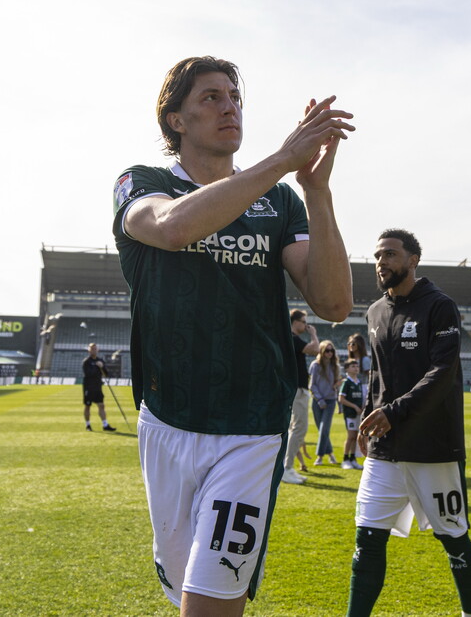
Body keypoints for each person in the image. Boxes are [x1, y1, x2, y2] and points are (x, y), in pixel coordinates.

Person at [112, 55, 354, 613]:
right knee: (182, 591)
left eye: (234, 97)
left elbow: (334, 303)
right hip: (168, 420)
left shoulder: (280, 200)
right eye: (211, 98)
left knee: (212, 603)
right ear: (177, 121)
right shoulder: (141, 183)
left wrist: (315, 190)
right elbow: (171, 228)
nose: (229, 106)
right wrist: (280, 159)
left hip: (252, 427)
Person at [348, 229, 471, 617]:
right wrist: (366, 422)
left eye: (390, 254)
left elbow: (443, 372)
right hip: (384, 450)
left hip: (433, 448)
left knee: (454, 539)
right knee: (367, 541)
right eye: (377, 256)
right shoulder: (374, 312)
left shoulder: (439, 306)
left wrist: (393, 412)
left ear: (412, 260)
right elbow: (377, 378)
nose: (381, 262)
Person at [282, 309, 319, 485]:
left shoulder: (292, 338)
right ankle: (286, 468)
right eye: (303, 322)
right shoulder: (292, 337)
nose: (306, 325)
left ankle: (287, 467)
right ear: (294, 321)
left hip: (297, 388)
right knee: (299, 428)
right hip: (297, 389)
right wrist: (314, 335)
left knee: (295, 429)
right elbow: (315, 349)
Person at [311, 340, 342, 465]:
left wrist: (340, 405)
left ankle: (319, 456)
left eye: (332, 351)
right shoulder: (315, 365)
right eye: (327, 350)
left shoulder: (336, 366)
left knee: (324, 429)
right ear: (322, 351)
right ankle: (331, 454)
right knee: (321, 430)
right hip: (317, 401)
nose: (330, 353)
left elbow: (337, 387)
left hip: (330, 401)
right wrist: (319, 399)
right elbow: (312, 385)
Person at [82, 343, 116, 432]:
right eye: (92, 349)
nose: (93, 350)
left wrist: (102, 366)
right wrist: (97, 367)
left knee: (101, 405)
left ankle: (105, 425)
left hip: (98, 387)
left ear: (98, 350)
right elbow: (88, 374)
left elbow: (106, 374)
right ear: (89, 350)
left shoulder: (100, 360)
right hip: (88, 387)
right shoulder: (87, 361)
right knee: (88, 406)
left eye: (95, 349)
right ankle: (88, 425)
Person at [339, 359, 364, 470]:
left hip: (358, 413)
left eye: (357, 366)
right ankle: (345, 459)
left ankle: (353, 458)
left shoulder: (358, 382)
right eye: (353, 366)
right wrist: (354, 406)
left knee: (355, 436)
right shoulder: (346, 382)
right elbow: (341, 399)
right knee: (350, 436)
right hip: (350, 414)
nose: (356, 368)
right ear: (347, 369)